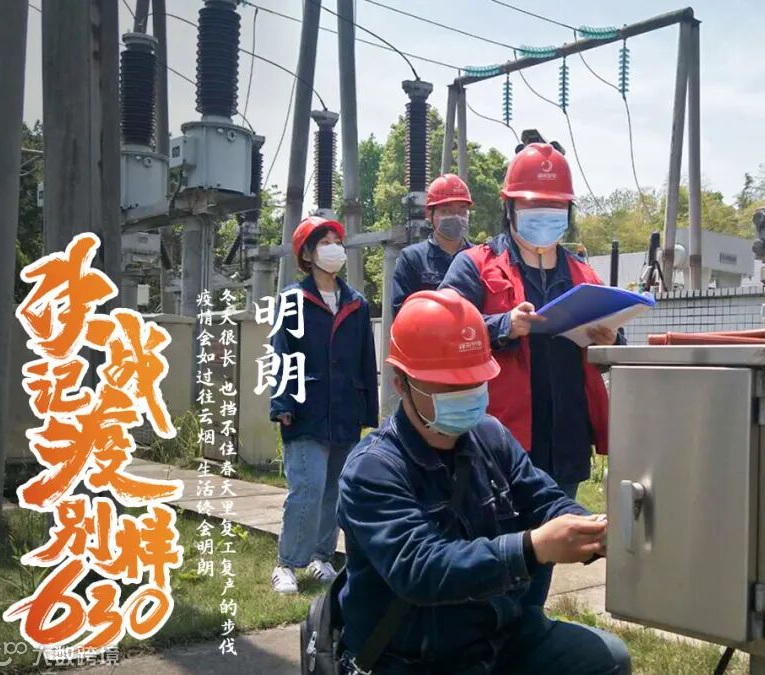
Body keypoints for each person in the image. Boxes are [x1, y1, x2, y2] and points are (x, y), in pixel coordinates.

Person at [337, 289, 630, 675]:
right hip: (413, 657)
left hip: (497, 635)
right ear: (401, 383)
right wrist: (530, 549)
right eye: (449, 385)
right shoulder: (372, 470)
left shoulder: (491, 436)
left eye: (475, 381)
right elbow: (422, 569)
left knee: (606, 660)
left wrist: (590, 528)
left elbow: (541, 497)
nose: (466, 394)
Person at [440, 141, 622, 606]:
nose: (545, 214)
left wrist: (609, 341)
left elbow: (611, 352)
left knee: (544, 558)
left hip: (565, 441)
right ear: (510, 208)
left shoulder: (583, 274)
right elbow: (442, 329)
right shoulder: (476, 265)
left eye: (555, 206)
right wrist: (502, 325)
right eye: (532, 205)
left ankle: (526, 629)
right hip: (500, 442)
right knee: (494, 554)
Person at [269, 216, 378, 594]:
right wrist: (282, 401)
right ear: (307, 254)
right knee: (308, 488)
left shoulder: (357, 303)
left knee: (335, 489)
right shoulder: (292, 300)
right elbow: (281, 353)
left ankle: (321, 557)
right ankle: (287, 563)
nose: (334, 248)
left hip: (345, 410)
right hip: (305, 409)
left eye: (337, 241)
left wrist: (368, 411)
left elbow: (366, 360)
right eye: (324, 242)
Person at [391, 173, 474, 316]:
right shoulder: (412, 259)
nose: (456, 217)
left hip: (472, 330)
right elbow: (402, 313)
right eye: (446, 211)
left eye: (462, 211)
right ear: (429, 214)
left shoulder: (478, 258)